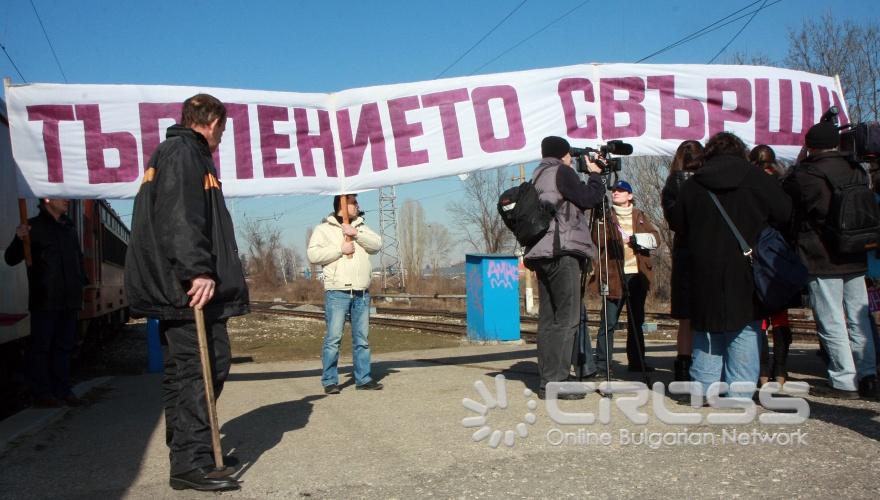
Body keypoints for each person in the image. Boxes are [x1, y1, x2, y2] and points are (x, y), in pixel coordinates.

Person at [125, 94, 248, 492]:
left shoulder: (175, 152)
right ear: (212, 122)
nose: (221, 139)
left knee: (187, 371)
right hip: (187, 287)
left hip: (174, 285)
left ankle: (191, 449)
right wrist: (197, 270)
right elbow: (180, 214)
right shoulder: (183, 153)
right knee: (202, 367)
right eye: (223, 130)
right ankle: (189, 460)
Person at [669, 132, 791, 399]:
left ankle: (703, 391)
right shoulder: (757, 179)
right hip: (748, 266)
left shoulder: (694, 184)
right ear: (741, 151)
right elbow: (784, 212)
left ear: (709, 153)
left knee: (707, 330)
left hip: (703, 267)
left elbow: (678, 222)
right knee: (745, 330)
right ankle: (739, 396)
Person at [783, 121, 879, 400]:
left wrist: (797, 164)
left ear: (809, 146)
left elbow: (786, 194)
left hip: (822, 256)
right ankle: (869, 375)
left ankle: (844, 380)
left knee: (832, 319)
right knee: (859, 318)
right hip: (856, 253)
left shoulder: (806, 173)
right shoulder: (856, 170)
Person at [523, 136, 605, 399]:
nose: (572, 158)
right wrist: (596, 176)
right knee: (568, 319)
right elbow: (588, 198)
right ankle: (556, 381)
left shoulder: (538, 174)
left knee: (549, 320)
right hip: (562, 251)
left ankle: (548, 379)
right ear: (564, 154)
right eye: (570, 154)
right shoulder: (562, 171)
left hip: (542, 253)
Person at [5, 198, 85, 408]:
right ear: (48, 200)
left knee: (64, 347)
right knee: (41, 348)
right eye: (61, 197)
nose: (67, 200)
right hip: (45, 298)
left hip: (69, 299)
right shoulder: (32, 227)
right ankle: (42, 393)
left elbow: (78, 258)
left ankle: (63, 390)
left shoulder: (69, 228)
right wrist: (18, 239)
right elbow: (11, 259)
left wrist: (80, 283)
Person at [307, 193, 383, 394]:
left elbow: (377, 245)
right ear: (342, 204)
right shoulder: (324, 229)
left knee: (362, 339)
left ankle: (363, 378)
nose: (357, 205)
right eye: (353, 202)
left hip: (361, 292)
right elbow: (313, 255)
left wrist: (356, 234)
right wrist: (339, 249)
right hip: (337, 292)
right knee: (333, 339)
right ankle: (330, 380)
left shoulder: (361, 227)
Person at [591, 180, 660, 374]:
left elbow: (657, 238)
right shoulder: (606, 216)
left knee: (636, 321)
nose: (616, 193)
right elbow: (596, 241)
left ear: (630, 196)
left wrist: (638, 240)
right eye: (614, 191)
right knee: (609, 322)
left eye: (621, 190)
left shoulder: (639, 216)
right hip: (613, 276)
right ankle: (603, 365)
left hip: (637, 276)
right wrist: (601, 220)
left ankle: (637, 362)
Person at [749, 144, 794, 387]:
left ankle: (763, 370)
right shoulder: (783, 182)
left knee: (760, 315)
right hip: (779, 252)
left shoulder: (747, 183)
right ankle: (781, 369)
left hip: (755, 249)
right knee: (780, 315)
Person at [661, 140, 704, 381]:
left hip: (683, 250)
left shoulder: (672, 182)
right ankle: (705, 363)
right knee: (706, 313)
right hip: (707, 249)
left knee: (685, 318)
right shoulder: (708, 180)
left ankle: (683, 367)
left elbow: (674, 221)